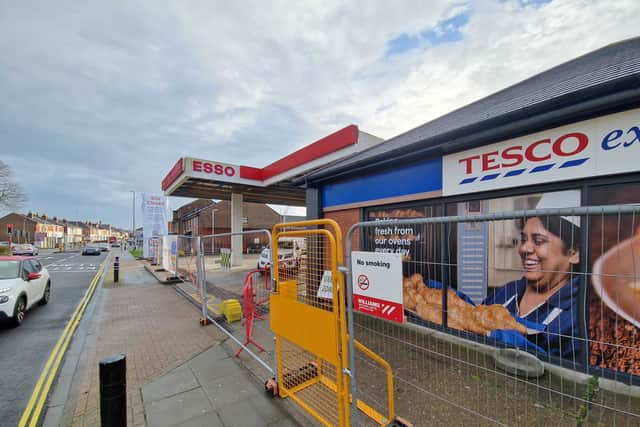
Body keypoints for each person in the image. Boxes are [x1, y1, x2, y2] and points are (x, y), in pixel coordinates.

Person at [483, 214, 581, 359]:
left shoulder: (577, 317)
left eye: (539, 241)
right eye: (523, 239)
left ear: (574, 253)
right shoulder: (509, 291)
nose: (524, 248)